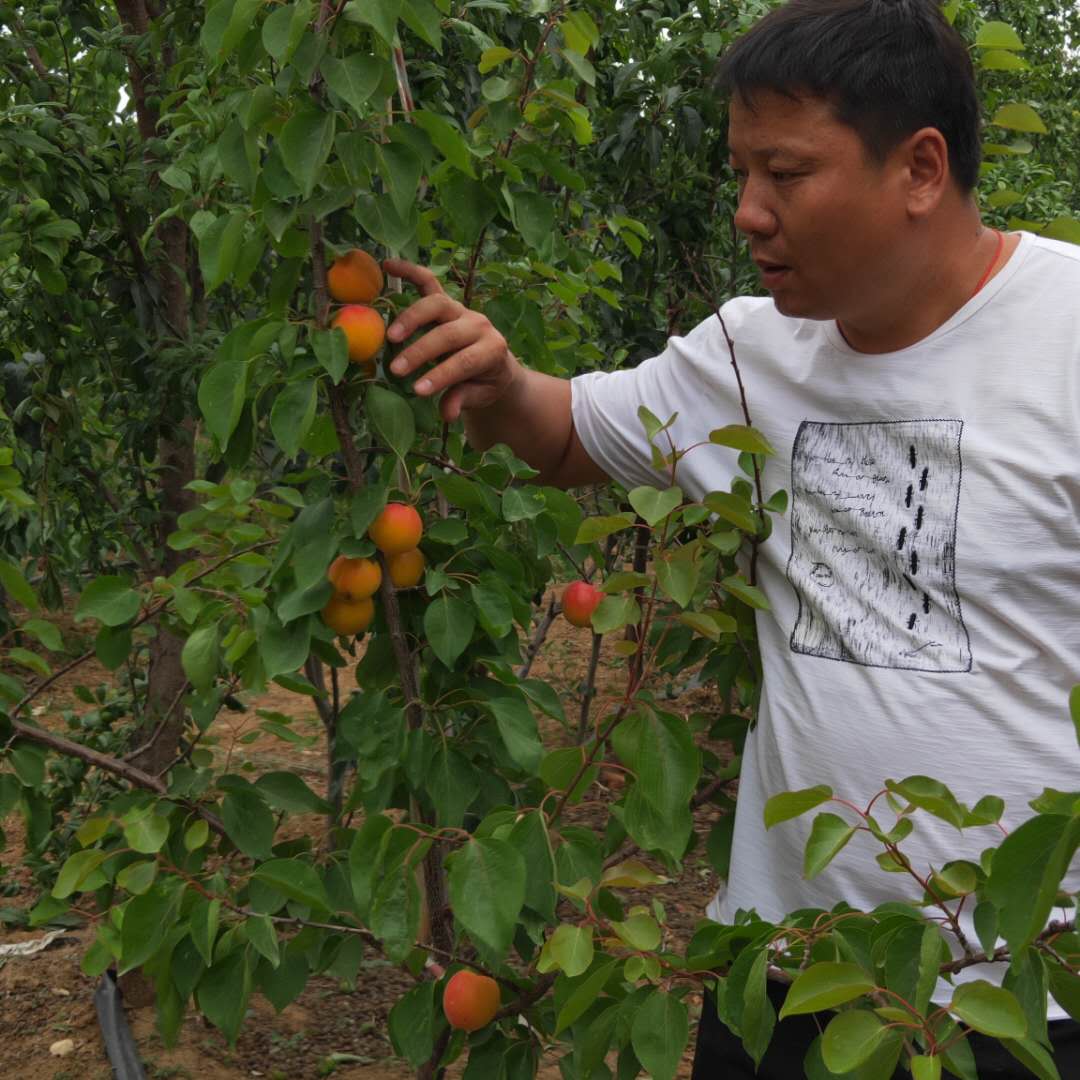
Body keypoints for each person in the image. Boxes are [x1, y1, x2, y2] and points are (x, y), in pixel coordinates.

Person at [382, 0, 1080, 1073]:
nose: (750, 212)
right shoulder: (751, 355)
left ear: (922, 169)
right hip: (783, 976)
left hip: (1025, 995)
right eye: (742, 174)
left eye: (787, 174)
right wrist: (500, 380)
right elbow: (568, 432)